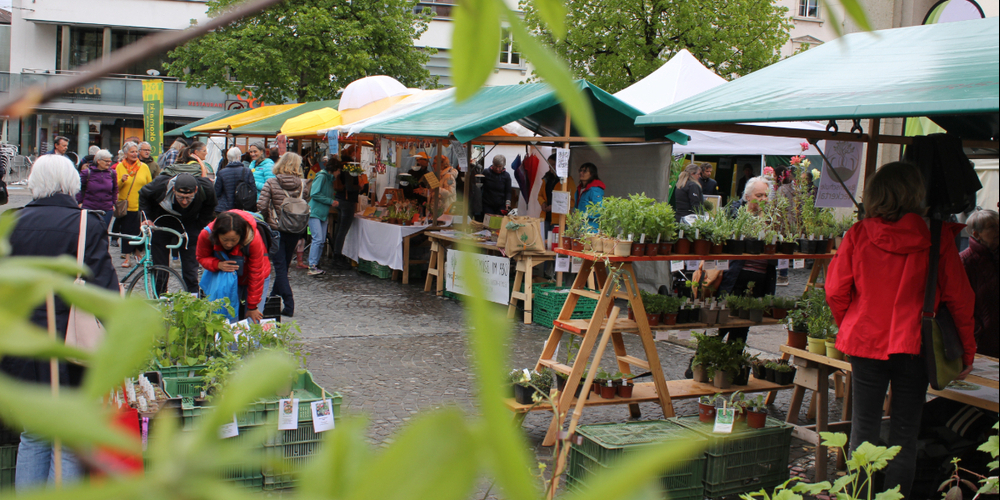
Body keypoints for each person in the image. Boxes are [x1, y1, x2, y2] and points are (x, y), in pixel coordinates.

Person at [825, 162, 976, 498]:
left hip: (865, 341)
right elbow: (961, 300)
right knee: (904, 435)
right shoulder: (937, 237)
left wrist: (849, 323)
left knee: (863, 428)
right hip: (915, 344)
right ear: (915, 193)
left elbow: (835, 291)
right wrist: (967, 349)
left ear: (875, 194)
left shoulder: (859, 233)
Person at [2, 155, 118, 490]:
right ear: (72, 183)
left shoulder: (11, 221)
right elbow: (103, 289)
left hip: (21, 342)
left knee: (33, 431)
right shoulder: (87, 224)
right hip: (72, 342)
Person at [717, 177, 775, 344]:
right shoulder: (736, 214)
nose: (763, 199)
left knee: (743, 327)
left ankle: (733, 365)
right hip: (735, 276)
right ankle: (699, 365)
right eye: (759, 195)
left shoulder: (771, 217)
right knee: (723, 321)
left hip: (760, 278)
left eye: (766, 195)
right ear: (748, 197)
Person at [138, 173, 217, 293]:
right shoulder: (160, 185)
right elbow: (143, 195)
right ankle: (160, 297)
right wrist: (147, 218)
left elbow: (210, 207)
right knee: (161, 267)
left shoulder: (206, 188)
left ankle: (192, 297)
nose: (184, 202)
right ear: (174, 189)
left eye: (189, 198)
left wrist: (199, 225)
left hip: (190, 223)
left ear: (195, 190)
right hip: (162, 220)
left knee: (190, 268)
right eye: (180, 197)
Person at [196, 210, 270, 321]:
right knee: (225, 317)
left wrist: (253, 306)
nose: (229, 244)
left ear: (242, 236)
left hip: (256, 278)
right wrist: (218, 264)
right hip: (226, 280)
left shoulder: (253, 239)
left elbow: (256, 273)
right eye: (225, 240)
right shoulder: (207, 234)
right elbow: (201, 257)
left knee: (253, 320)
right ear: (217, 235)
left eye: (234, 240)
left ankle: (253, 338)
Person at [257, 153, 307, 314]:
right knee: (284, 266)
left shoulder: (272, 182)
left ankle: (289, 303)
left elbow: (262, 205)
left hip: (276, 229)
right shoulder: (302, 184)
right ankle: (272, 298)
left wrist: (268, 220)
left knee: (279, 267)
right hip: (295, 229)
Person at [959, 209, 998, 357]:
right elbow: (960, 304)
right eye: (992, 227)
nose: (998, 230)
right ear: (976, 234)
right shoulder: (965, 262)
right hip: (981, 343)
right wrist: (977, 331)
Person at [114, 142, 153, 267]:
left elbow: (149, 185)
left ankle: (138, 253)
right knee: (126, 232)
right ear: (125, 153)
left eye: (136, 151)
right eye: (132, 152)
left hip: (141, 205)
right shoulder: (120, 167)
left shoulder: (144, 167)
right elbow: (115, 187)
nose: (135, 154)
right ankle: (127, 257)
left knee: (140, 231)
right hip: (127, 205)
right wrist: (122, 181)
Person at [306, 157, 341, 275]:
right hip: (315, 212)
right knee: (318, 239)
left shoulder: (329, 179)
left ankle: (315, 263)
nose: (339, 173)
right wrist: (330, 201)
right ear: (334, 169)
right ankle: (312, 265)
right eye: (339, 170)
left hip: (323, 213)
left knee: (320, 240)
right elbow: (314, 194)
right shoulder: (322, 176)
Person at [76, 149, 118, 229]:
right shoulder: (86, 173)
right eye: (106, 161)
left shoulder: (112, 173)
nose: (109, 163)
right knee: (89, 231)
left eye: (110, 161)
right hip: (89, 207)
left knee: (103, 232)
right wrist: (80, 202)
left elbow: (115, 189)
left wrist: (113, 203)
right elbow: (78, 187)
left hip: (107, 208)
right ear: (98, 161)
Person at [331, 155, 360, 270]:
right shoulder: (349, 169)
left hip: (339, 200)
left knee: (339, 230)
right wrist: (360, 186)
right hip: (347, 202)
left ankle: (336, 254)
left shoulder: (342, 168)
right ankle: (337, 257)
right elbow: (349, 186)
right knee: (342, 231)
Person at [538, 153, 576, 230]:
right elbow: (540, 195)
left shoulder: (568, 180)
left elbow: (572, 201)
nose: (551, 167)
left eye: (554, 164)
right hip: (545, 217)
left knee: (556, 241)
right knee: (544, 240)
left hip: (560, 219)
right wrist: (543, 203)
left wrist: (555, 206)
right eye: (549, 164)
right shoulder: (546, 179)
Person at [215, 147, 256, 213]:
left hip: (225, 208)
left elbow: (217, 192)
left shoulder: (222, 172)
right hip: (242, 207)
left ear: (228, 157)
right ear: (239, 157)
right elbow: (253, 190)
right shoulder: (247, 171)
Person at [574, 163, 605, 230]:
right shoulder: (580, 189)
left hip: (591, 229)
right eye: (580, 170)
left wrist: (582, 215)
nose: (581, 173)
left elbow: (600, 211)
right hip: (580, 227)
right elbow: (576, 207)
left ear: (592, 174)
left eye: (584, 171)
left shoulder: (595, 190)